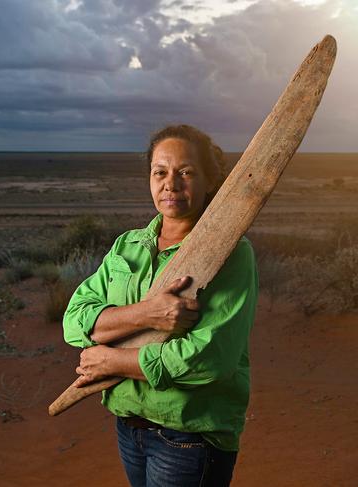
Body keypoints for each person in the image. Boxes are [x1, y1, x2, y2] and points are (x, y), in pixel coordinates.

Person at [62, 124, 259, 487]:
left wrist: (114, 360)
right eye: (160, 172)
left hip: (188, 438)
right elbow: (75, 322)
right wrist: (148, 313)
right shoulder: (128, 246)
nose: (171, 184)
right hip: (129, 428)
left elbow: (209, 358)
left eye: (186, 172)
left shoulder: (232, 253)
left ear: (210, 180)